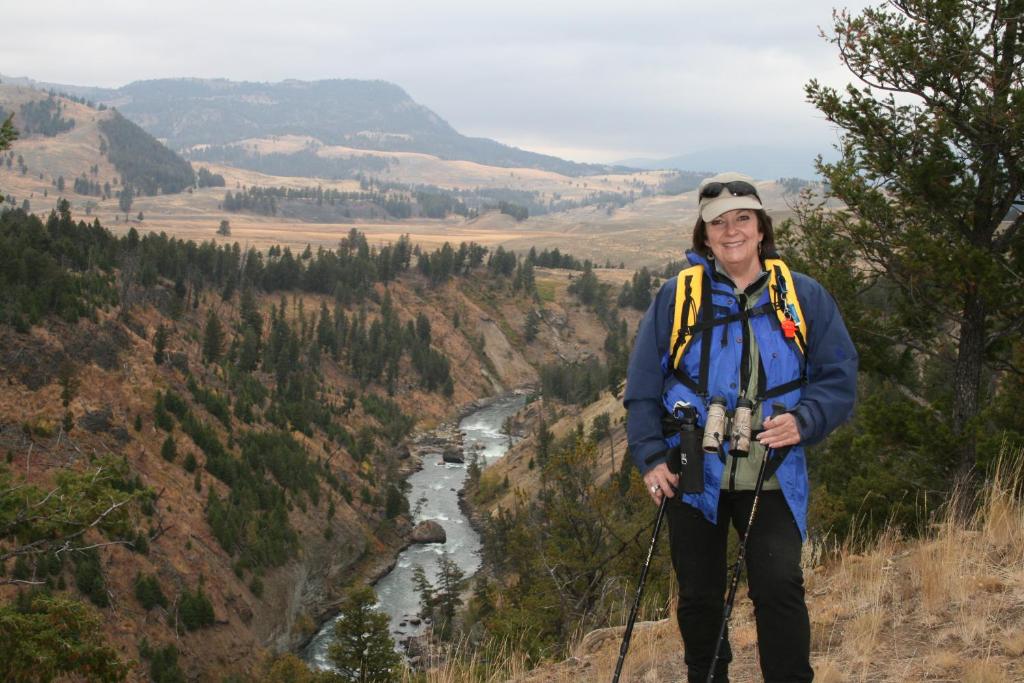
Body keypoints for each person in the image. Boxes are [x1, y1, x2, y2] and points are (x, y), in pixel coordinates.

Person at [624, 172, 858, 682]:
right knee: (700, 596)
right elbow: (642, 386)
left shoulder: (803, 295)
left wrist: (806, 420)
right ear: (703, 235)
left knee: (778, 586)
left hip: (771, 468)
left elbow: (838, 376)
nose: (732, 232)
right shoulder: (676, 297)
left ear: (761, 227)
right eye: (718, 223)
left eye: (742, 219)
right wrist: (649, 457)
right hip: (689, 466)